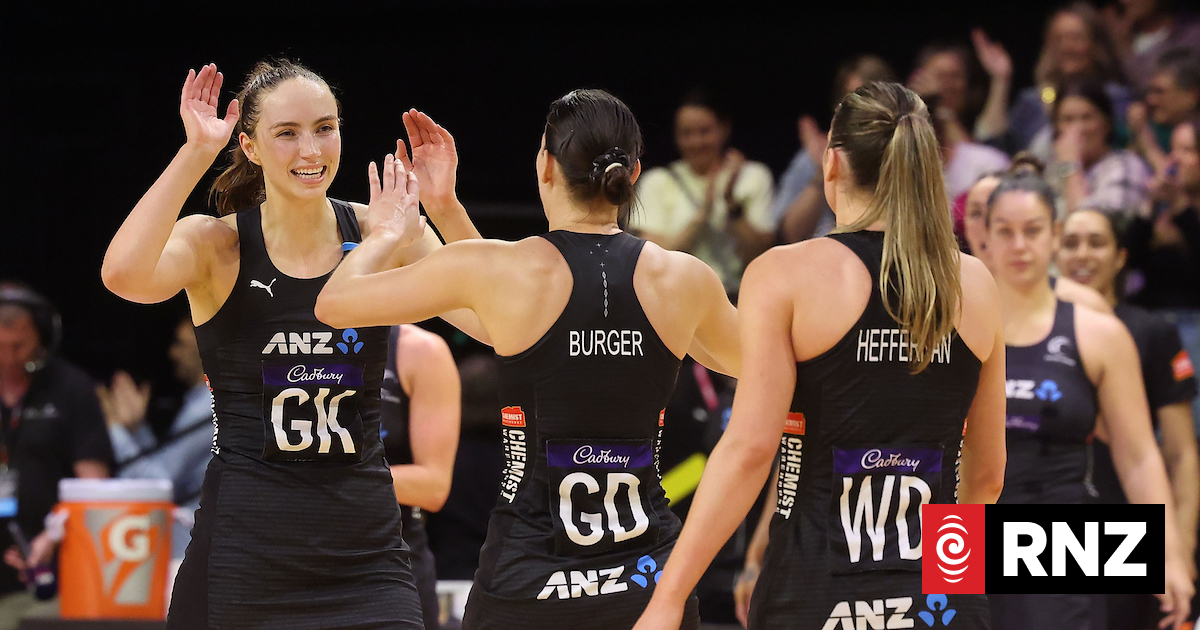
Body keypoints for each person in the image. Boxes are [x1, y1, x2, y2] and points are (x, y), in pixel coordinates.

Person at [316, 88, 740, 630]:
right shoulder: (684, 279)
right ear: (633, 174)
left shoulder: (505, 271)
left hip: (527, 581)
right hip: (645, 581)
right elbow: (766, 371)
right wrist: (446, 208)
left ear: (544, 166)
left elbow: (335, 303)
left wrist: (387, 234)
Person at [634, 81, 1006, 630]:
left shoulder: (785, 273)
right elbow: (988, 475)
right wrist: (944, 588)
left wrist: (667, 598)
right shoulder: (974, 282)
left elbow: (751, 451)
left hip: (816, 592)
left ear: (832, 164)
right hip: (940, 599)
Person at [100, 61, 440, 629]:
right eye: (286, 133)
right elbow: (123, 276)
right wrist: (194, 153)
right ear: (250, 146)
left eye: (325, 127)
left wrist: (440, 210)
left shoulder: (384, 228)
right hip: (243, 554)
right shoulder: (219, 244)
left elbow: (492, 321)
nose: (311, 149)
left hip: (366, 558)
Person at [981, 172, 1192, 630]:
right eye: (1005, 231)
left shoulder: (1100, 334)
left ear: (1055, 235)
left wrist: (1171, 557)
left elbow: (1138, 455)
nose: (1019, 245)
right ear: (986, 236)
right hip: (967, 536)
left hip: (1065, 537)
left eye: (1033, 230)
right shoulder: (952, 328)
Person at [1057, 207, 1200, 630]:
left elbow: (1181, 453)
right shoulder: (1018, 329)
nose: (1082, 255)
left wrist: (1182, 547)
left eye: (1096, 243)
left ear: (1120, 257)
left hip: (1127, 528)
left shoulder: (1150, 331)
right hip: (1043, 531)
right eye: (1070, 243)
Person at [0, 285, 113, 629]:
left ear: (43, 338)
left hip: (54, 569)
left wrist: (52, 534)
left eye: (18, 346)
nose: (7, 358)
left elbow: (94, 486)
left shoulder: (71, 388)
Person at [630, 89, 774, 294]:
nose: (696, 142)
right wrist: (702, 215)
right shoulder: (657, 181)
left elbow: (762, 253)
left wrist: (731, 202)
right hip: (677, 298)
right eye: (687, 134)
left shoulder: (753, 176)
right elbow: (652, 259)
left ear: (724, 129)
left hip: (737, 299)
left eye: (705, 132)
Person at [100, 316, 214, 557]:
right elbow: (165, 465)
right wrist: (136, 430)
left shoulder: (208, 405)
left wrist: (113, 428)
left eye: (181, 344)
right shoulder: (199, 399)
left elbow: (159, 485)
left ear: (205, 348)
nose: (173, 354)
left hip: (195, 548)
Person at [380, 324, 461, 630]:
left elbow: (434, 484)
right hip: (289, 552)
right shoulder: (273, 335)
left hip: (391, 558)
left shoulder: (419, 349)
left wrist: (321, 480)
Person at [1126, 116, 1200, 433]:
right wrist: (1149, 206)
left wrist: (1182, 210)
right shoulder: (1165, 209)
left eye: (1187, 150)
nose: (1175, 159)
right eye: (1173, 149)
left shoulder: (1184, 213)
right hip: (1153, 320)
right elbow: (1128, 259)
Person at [773, 55, 896, 243]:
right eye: (850, 102)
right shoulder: (812, 157)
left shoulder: (906, 156)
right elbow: (788, 235)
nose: (859, 113)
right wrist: (823, 170)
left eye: (868, 102)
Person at [981, 2, 1132, 155]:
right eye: (1058, 39)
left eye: (1076, 37)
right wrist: (1000, 81)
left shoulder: (1117, 98)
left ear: (1095, 43)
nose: (1067, 47)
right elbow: (994, 146)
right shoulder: (1032, 101)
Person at [1048, 77, 1151, 216]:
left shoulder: (1126, 166)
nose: (1078, 130)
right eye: (1068, 119)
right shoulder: (1051, 170)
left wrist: (1070, 166)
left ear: (1106, 123)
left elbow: (1088, 226)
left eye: (1087, 118)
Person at [1128, 47, 1200, 171]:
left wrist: (1146, 141)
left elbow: (1177, 181)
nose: (1151, 100)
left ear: (1191, 95)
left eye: (1159, 92)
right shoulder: (1162, 132)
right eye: (1150, 91)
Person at [1104, 0, 1200, 92]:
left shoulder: (1190, 36)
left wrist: (1123, 46)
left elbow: (1150, 88)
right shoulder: (1112, 31)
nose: (1125, 1)